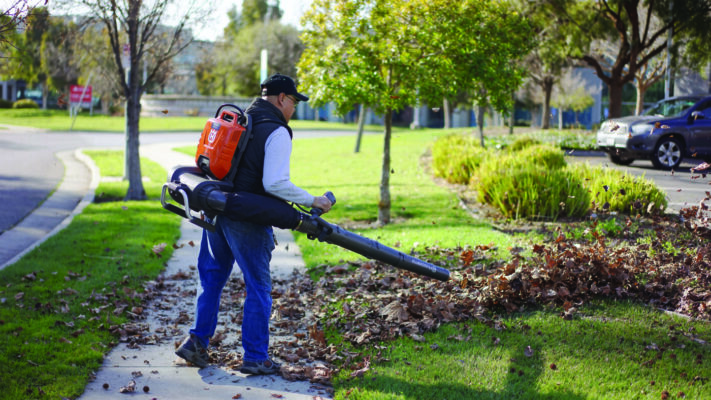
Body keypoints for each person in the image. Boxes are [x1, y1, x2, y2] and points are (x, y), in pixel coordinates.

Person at [175, 73, 333, 375]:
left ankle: (196, 343)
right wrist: (314, 200)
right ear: (281, 98)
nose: (294, 110)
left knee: (210, 280)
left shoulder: (240, 120)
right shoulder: (276, 130)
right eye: (293, 102)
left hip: (215, 207)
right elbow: (275, 183)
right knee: (258, 286)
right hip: (246, 216)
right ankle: (256, 356)